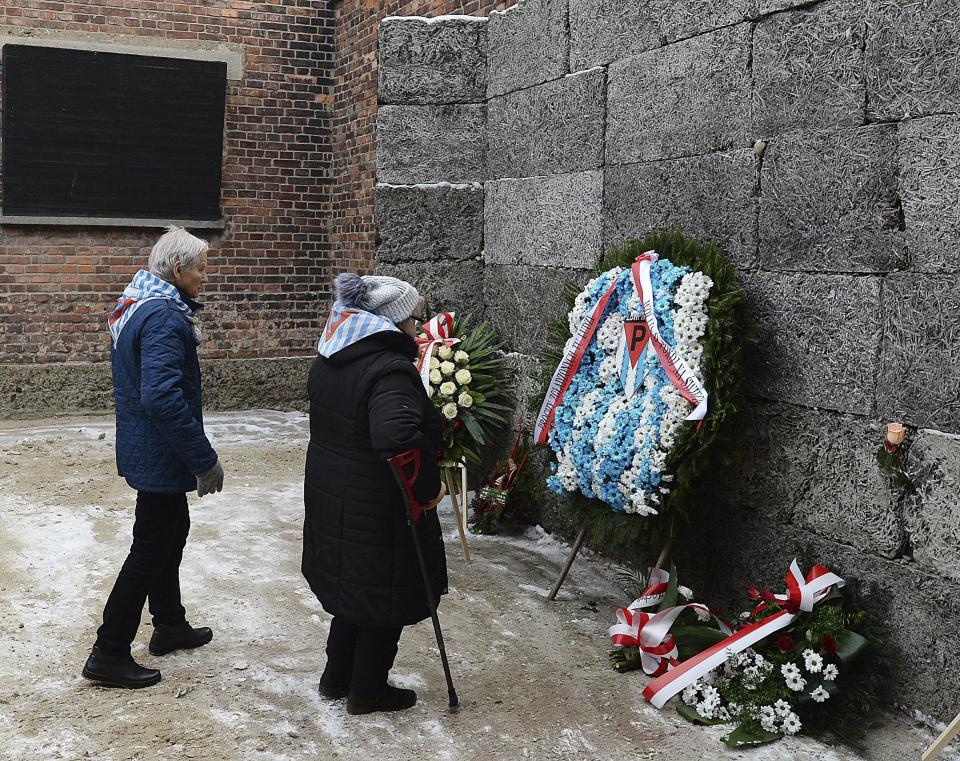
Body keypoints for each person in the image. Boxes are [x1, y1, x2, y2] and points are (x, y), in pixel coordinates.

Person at [82, 226, 224, 689]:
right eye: (201, 268)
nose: (205, 276)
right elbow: (161, 396)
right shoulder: (164, 316)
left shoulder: (140, 304)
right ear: (178, 269)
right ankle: (108, 651)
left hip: (149, 448)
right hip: (160, 449)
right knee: (150, 546)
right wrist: (203, 459)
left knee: (170, 529)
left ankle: (169, 624)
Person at [302, 273, 447, 715]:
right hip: (378, 504)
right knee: (384, 596)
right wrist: (427, 489)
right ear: (391, 322)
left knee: (354, 591)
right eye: (414, 320)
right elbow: (397, 436)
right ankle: (367, 690)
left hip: (335, 494)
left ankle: (336, 678)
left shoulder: (334, 355)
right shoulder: (387, 368)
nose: (419, 329)